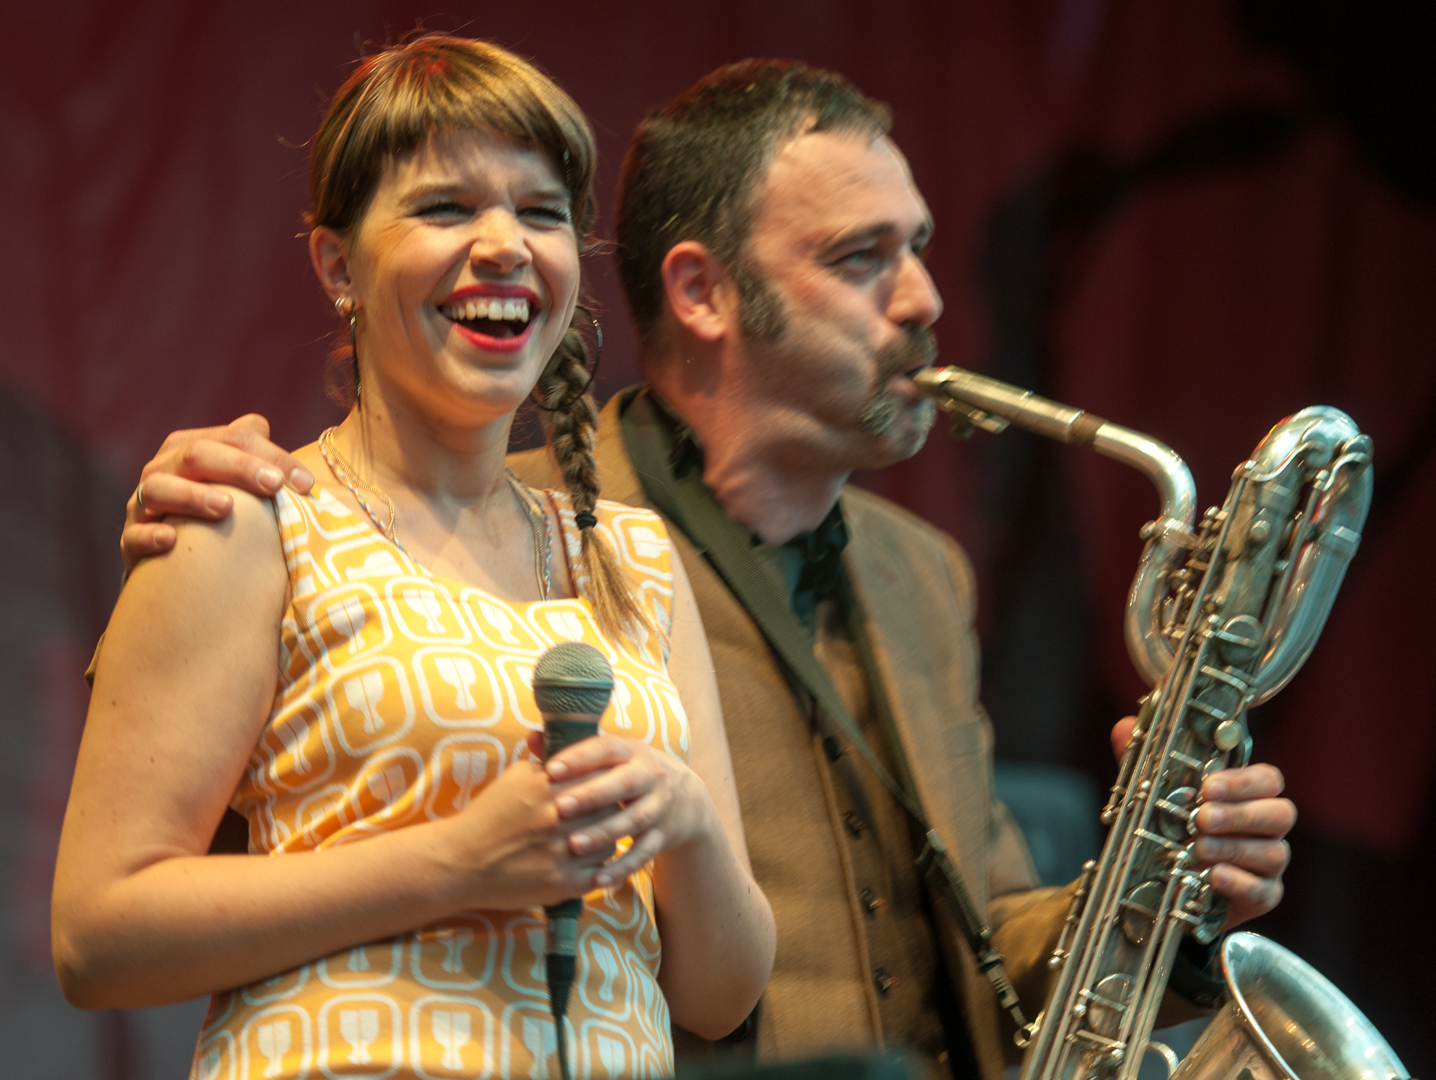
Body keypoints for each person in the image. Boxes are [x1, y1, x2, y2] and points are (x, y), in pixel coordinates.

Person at [116, 61, 1296, 1080]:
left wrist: (1162, 896)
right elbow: (220, 858)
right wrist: (212, 529)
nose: (926, 300)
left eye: (919, 249)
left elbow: (981, 923)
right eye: (860, 257)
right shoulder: (500, 532)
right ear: (699, 290)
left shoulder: (917, 572)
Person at [52, 37, 775, 1080]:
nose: (503, 246)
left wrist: (688, 819)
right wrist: (457, 864)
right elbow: (98, 934)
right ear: (336, 264)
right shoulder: (247, 515)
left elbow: (719, 994)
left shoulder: (633, 557)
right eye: (445, 209)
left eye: (539, 212)